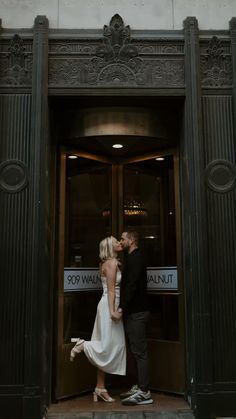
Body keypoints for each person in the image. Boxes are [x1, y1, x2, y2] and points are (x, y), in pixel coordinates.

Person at [70, 236, 126, 402]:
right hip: (110, 305)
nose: (119, 243)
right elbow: (110, 290)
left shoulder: (107, 263)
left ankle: (99, 387)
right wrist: (113, 311)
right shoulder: (111, 263)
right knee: (110, 345)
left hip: (107, 305)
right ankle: (83, 344)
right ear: (110, 247)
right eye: (116, 242)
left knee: (106, 343)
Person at [118, 230, 153, 405]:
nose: (121, 241)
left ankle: (144, 391)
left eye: (123, 238)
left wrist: (121, 307)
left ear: (131, 240)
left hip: (137, 312)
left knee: (140, 352)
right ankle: (138, 385)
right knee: (135, 350)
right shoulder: (131, 258)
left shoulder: (136, 258)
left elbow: (131, 285)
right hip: (135, 312)